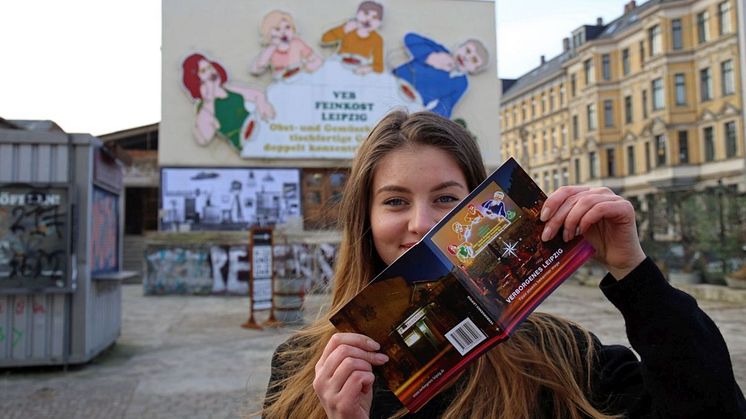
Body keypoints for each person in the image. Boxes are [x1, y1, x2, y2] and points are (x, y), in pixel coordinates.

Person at [263, 110, 746, 418]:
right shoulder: (302, 369)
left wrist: (634, 272)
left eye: (447, 198)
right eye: (394, 201)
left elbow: (713, 408)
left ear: (480, 205)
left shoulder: (565, 357)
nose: (422, 224)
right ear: (364, 220)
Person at [182, 53, 275, 151]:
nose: (210, 72)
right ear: (196, 79)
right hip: (246, 143)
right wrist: (209, 96)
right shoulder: (204, 107)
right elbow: (204, 137)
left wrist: (263, 106)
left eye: (210, 67)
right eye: (203, 71)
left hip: (259, 129)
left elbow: (257, 94)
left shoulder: (227, 88)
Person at [392, 34, 488, 118]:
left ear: (474, 70)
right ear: (460, 47)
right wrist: (431, 56)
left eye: (474, 60)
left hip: (412, 104)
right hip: (395, 82)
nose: (467, 57)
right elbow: (410, 38)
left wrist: (428, 118)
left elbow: (446, 106)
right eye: (467, 50)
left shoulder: (462, 83)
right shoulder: (440, 51)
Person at [250, 10, 323, 79]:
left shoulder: (297, 43)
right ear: (268, 34)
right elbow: (258, 67)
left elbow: (314, 59)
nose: (283, 32)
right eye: (277, 29)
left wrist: (307, 66)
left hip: (300, 78)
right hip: (282, 82)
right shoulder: (271, 50)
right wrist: (272, 47)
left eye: (287, 27)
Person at [321, 1, 384, 75]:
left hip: (359, 67)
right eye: (366, 14)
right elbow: (325, 39)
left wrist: (368, 68)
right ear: (357, 14)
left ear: (379, 23)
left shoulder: (377, 39)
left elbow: (379, 66)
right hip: (339, 63)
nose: (368, 19)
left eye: (374, 18)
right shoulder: (348, 28)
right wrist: (344, 30)